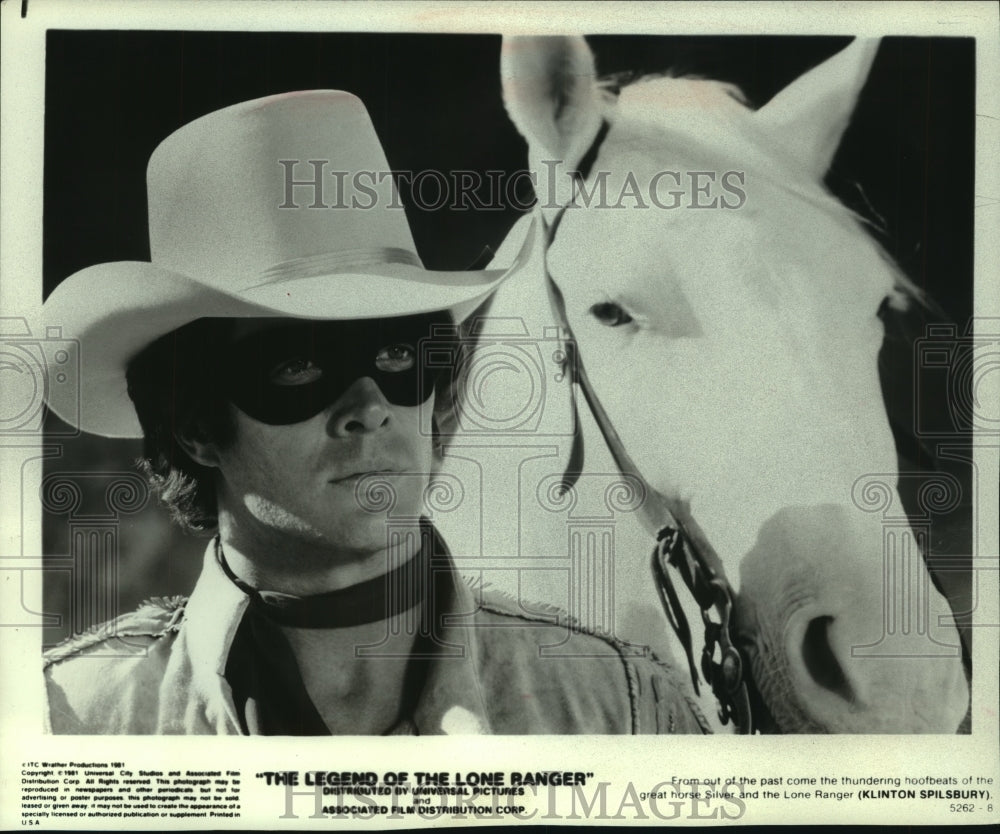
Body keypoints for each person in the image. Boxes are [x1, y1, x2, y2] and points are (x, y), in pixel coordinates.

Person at [41, 90, 708, 735]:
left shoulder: (618, 711)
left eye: (398, 355)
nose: (369, 410)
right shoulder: (69, 721)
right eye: (298, 367)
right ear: (194, 424)